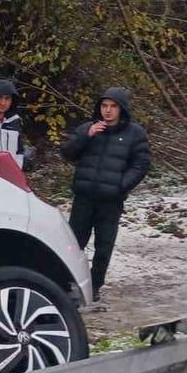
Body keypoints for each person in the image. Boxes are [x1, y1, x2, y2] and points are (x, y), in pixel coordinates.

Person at [60, 87, 151, 303]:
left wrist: (121, 186)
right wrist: (86, 136)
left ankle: (95, 285)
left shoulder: (135, 133)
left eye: (112, 106)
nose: (107, 111)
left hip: (111, 201)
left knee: (104, 246)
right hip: (84, 197)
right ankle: (66, 283)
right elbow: (67, 152)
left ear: (122, 109)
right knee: (74, 243)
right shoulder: (88, 128)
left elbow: (141, 164)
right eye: (104, 106)